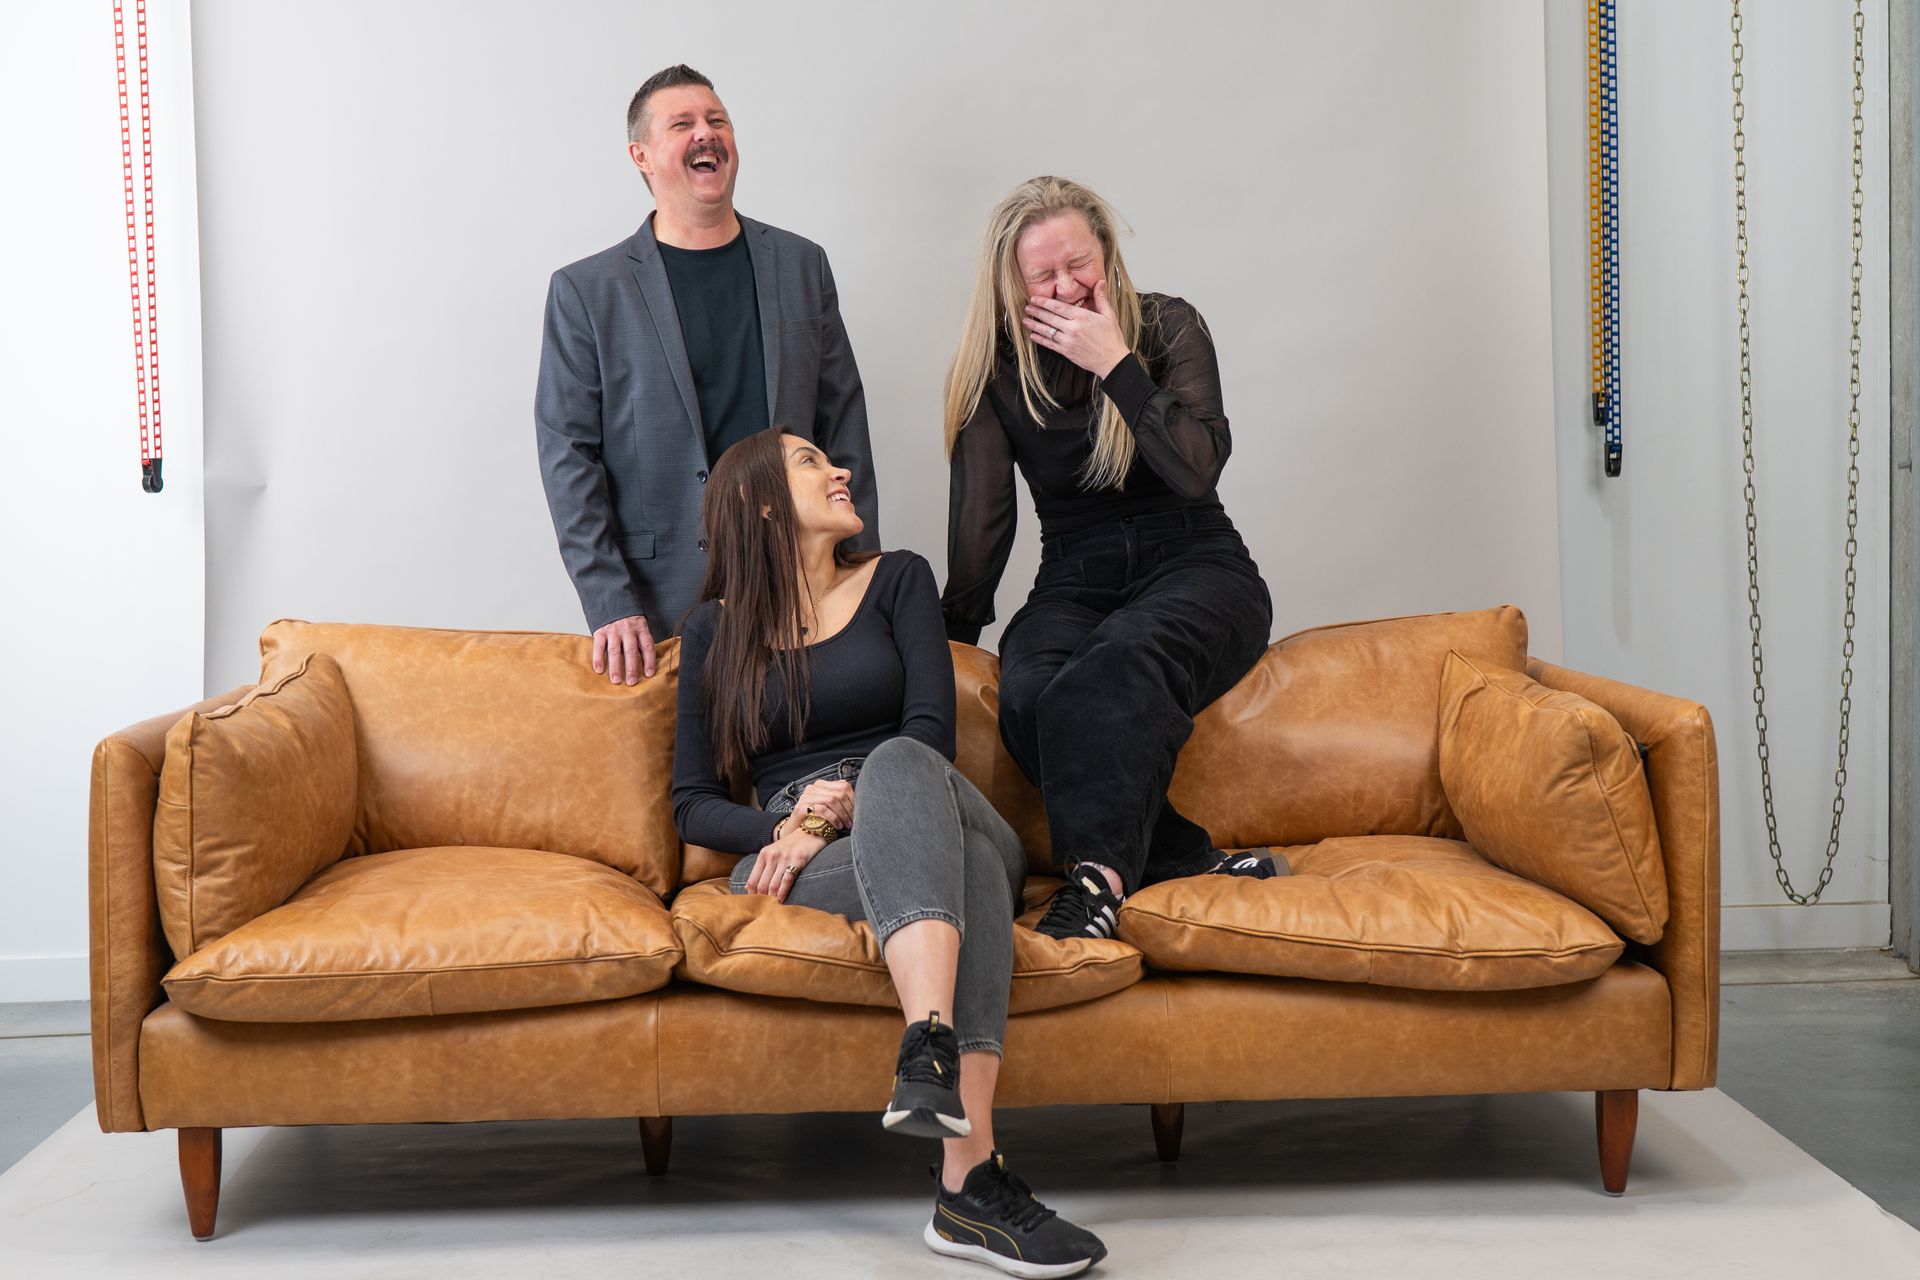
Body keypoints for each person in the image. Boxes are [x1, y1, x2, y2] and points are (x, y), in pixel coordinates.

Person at [673, 426, 1107, 1277]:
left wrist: (850, 801)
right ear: (762, 501)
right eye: (810, 463)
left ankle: (927, 1048)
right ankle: (971, 1188)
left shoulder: (897, 579)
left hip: (931, 800)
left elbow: (927, 736)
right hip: (804, 851)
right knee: (970, 875)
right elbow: (692, 804)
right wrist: (790, 828)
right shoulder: (711, 632)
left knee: (906, 766)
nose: (839, 471)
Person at [941, 175, 1279, 942]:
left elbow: (1197, 468)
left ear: (1108, 255)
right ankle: (1178, 853)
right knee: (1029, 692)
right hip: (1074, 575)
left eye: (1079, 265)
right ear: (1011, 285)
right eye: (1043, 275)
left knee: (1117, 661)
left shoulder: (1166, 328)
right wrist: (952, 633)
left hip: (1197, 563)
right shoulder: (996, 370)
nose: (1066, 287)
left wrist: (1116, 365)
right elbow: (983, 520)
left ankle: (1094, 886)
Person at [536, 64, 879, 687]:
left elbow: (843, 421)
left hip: (803, 580)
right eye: (684, 124)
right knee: (694, 779)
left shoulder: (802, 266)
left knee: (814, 772)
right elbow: (568, 456)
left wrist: (861, 570)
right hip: (663, 601)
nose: (707, 134)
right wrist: (609, 600)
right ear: (640, 154)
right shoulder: (587, 292)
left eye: (717, 120)